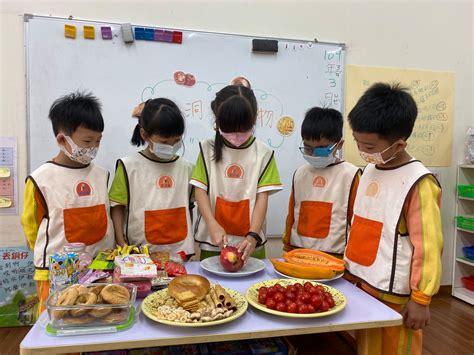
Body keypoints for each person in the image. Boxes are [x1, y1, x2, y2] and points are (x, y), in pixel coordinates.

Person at [344, 82, 443, 355]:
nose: (363, 150)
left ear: (399, 144)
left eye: (369, 145)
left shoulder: (419, 183)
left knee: (393, 349)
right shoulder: (369, 170)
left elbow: (429, 247)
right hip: (360, 281)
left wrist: (421, 298)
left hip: (393, 295)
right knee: (362, 347)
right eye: (357, 142)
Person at [21, 92, 115, 315]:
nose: (92, 147)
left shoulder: (101, 174)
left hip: (100, 267)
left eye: (98, 141)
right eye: (87, 141)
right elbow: (31, 226)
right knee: (56, 321)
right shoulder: (41, 179)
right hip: (57, 272)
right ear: (62, 140)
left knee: (98, 317)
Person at [191, 85, 282, 261]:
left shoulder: (264, 153)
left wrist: (253, 235)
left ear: (254, 118)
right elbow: (200, 191)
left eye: (243, 129)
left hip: (250, 244)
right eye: (230, 130)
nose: (236, 136)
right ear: (218, 121)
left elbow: (262, 197)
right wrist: (212, 225)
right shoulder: (207, 149)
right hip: (214, 241)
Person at [109, 98, 194, 258]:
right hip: (139, 255)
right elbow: (117, 207)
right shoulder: (129, 167)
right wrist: (121, 243)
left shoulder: (187, 168)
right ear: (144, 134)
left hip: (180, 253)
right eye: (163, 141)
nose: (170, 146)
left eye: (176, 140)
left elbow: (195, 205)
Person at [283, 107, 360, 257]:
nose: (313, 154)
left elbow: (356, 221)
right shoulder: (300, 173)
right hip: (299, 254)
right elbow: (292, 216)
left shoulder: (350, 175)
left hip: (334, 257)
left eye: (321, 149)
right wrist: (287, 248)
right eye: (307, 148)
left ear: (339, 145)